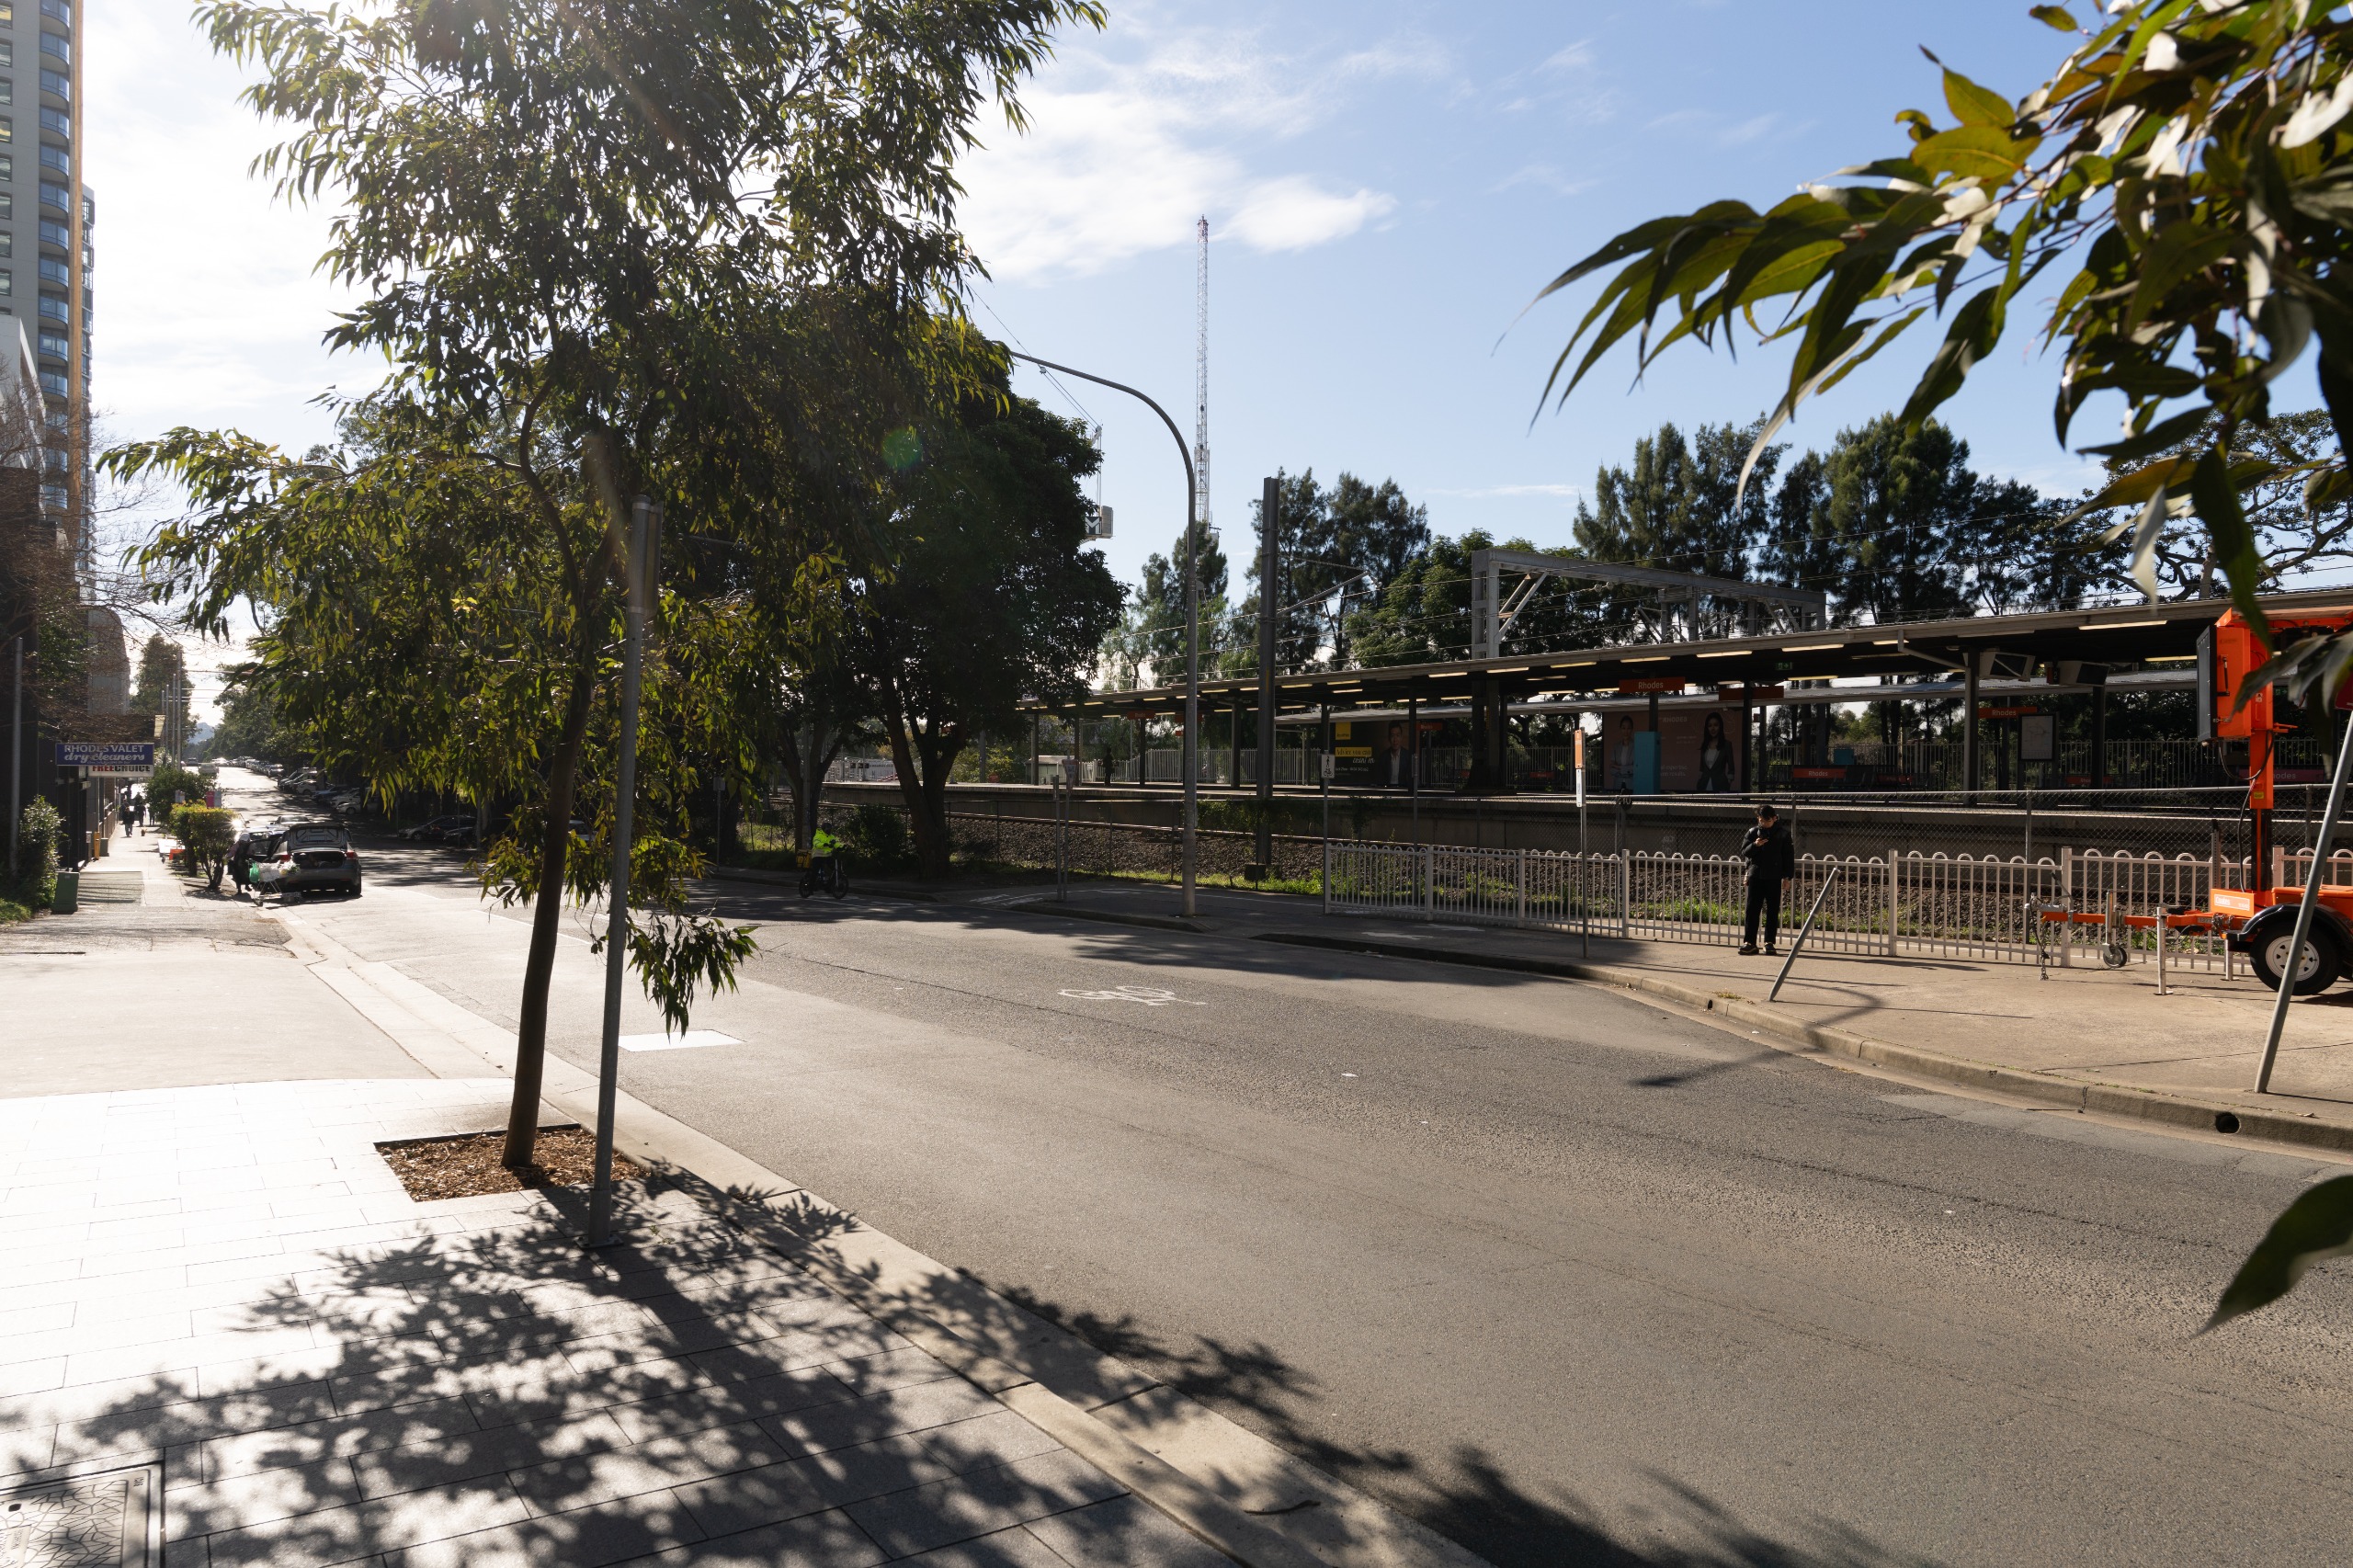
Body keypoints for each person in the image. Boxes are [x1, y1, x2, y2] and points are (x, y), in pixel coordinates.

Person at [1738, 801, 1796, 955]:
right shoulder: (1752, 832)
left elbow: (1788, 857)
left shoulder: (1783, 834)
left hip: (1773, 877)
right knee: (1752, 910)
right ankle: (1749, 942)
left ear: (1775, 819)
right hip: (1756, 875)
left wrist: (1787, 877)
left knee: (1772, 910)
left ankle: (1769, 942)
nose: (1763, 823)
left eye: (1767, 821)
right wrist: (1755, 846)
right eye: (1761, 820)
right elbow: (1745, 852)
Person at [1696, 710, 1735, 793]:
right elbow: (1701, 768)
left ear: (1720, 726)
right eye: (1710, 726)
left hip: (1720, 787)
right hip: (1703, 787)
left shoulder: (1727, 745)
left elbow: (1731, 768)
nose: (1713, 729)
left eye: (1716, 725)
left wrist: (1728, 783)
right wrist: (1699, 783)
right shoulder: (1704, 745)